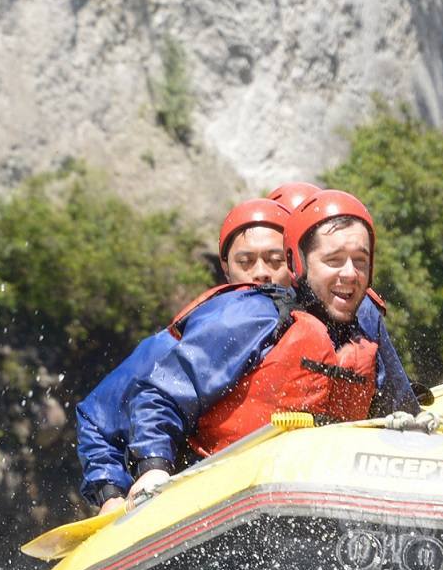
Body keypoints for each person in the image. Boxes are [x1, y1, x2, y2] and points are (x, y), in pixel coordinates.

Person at [116, 192, 419, 503]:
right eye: (333, 260)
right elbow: (160, 394)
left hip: (318, 496)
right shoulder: (253, 315)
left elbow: (404, 421)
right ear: (297, 263)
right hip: (224, 497)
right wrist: (153, 467)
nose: (349, 273)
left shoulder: (365, 340)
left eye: (360, 261)